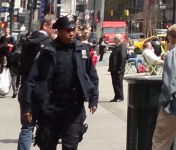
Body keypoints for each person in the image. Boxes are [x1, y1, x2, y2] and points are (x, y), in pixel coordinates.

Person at [24, 17, 99, 150]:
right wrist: (27, 107)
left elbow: (92, 76)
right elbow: (31, 80)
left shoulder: (81, 50)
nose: (71, 34)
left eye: (73, 30)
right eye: (67, 31)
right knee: (47, 145)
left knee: (71, 145)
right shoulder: (47, 51)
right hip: (50, 106)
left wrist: (93, 99)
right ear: (58, 31)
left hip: (73, 106)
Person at [18, 14, 58, 150]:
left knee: (27, 126)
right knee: (45, 126)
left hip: (26, 86)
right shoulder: (48, 43)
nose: (55, 30)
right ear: (45, 26)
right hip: (42, 88)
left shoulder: (28, 41)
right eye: (53, 27)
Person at [108, 35, 128, 102]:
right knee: (115, 83)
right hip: (114, 68)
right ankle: (116, 96)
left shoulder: (122, 46)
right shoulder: (117, 46)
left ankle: (120, 96)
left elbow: (123, 57)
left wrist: (120, 68)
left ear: (119, 39)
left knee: (118, 82)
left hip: (118, 69)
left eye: (115, 39)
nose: (114, 40)